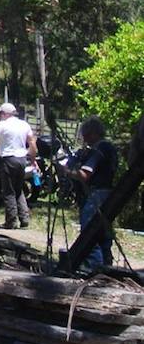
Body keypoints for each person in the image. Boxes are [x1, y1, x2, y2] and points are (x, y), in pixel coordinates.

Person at [65, 116, 118, 270]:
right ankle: (107, 266)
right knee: (103, 233)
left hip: (96, 195)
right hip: (108, 194)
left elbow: (84, 175)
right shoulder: (110, 149)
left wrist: (67, 171)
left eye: (86, 135)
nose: (85, 139)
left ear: (93, 133)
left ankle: (94, 268)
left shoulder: (99, 149)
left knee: (90, 234)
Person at [0, 101, 36, 229]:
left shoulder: (2, 125)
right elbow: (32, 142)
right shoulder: (24, 124)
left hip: (8, 158)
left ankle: (11, 220)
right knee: (18, 189)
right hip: (22, 159)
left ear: (4, 114)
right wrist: (33, 160)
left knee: (8, 191)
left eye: (0, 113)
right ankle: (24, 218)